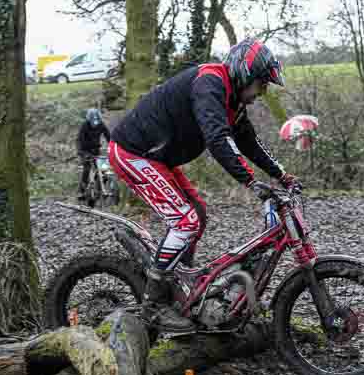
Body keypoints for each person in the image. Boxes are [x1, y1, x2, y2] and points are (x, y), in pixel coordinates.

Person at [108, 37, 301, 333]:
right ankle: (154, 306)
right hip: (132, 152)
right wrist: (251, 182)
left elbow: (248, 142)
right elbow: (217, 138)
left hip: (158, 159)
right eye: (261, 84)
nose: (262, 92)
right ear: (244, 74)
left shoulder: (231, 100)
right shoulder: (210, 82)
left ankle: (179, 287)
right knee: (185, 221)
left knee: (198, 212)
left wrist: (282, 174)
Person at [77, 108, 111, 204]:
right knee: (86, 169)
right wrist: (82, 152)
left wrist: (112, 147)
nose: (95, 122)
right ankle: (81, 191)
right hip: (85, 151)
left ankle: (98, 188)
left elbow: (108, 136)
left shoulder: (101, 124)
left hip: (96, 150)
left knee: (103, 170)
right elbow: (79, 140)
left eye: (96, 120)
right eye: (93, 120)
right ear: (89, 119)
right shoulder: (84, 125)